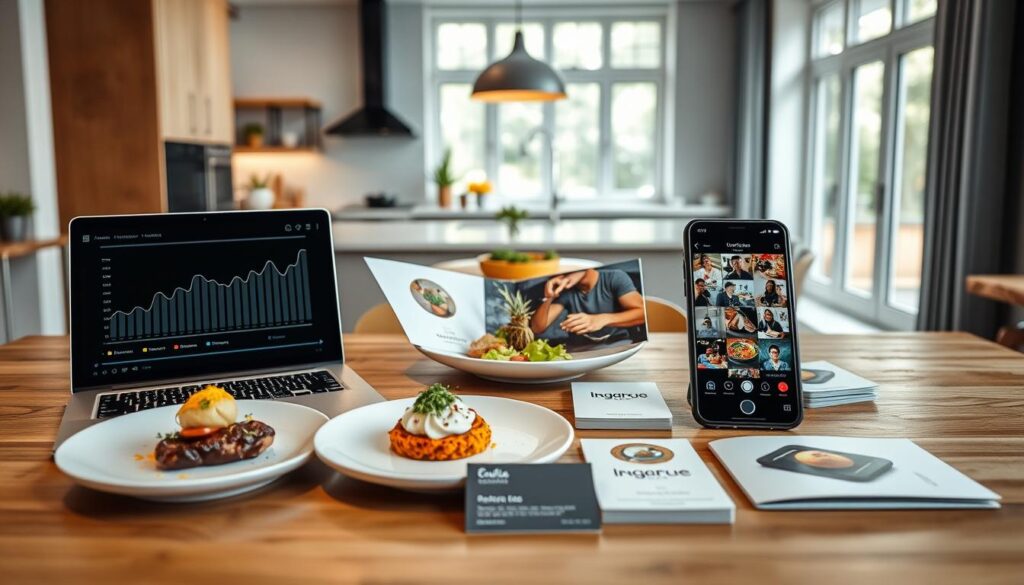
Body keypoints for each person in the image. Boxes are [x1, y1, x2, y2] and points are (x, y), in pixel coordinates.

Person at [531, 268, 646, 349]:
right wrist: (549, 296)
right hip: (580, 352)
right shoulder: (566, 291)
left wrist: (602, 319)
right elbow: (537, 328)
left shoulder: (614, 277)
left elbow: (643, 313)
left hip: (617, 346)